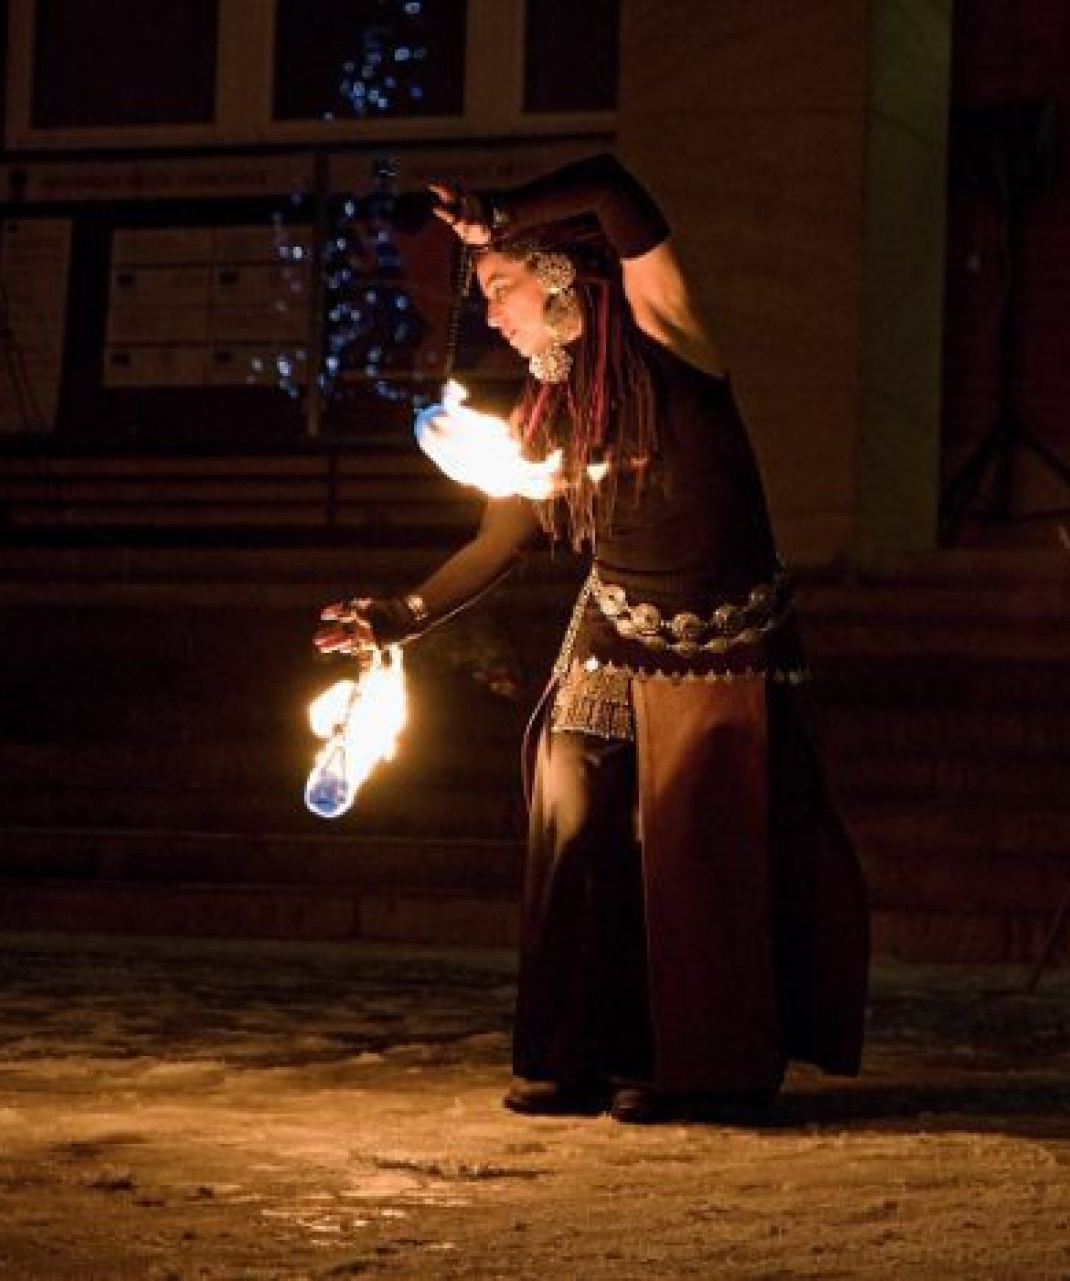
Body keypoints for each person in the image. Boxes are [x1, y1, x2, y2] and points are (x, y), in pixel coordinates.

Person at [313, 154, 869, 1124]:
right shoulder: (551, 412)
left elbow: (617, 190)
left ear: (559, 274)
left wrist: (495, 215)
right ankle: (571, 1058)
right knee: (573, 827)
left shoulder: (671, 340)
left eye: (499, 285)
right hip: (612, 636)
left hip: (726, 650)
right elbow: (502, 537)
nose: (491, 312)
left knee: (695, 848)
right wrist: (402, 613)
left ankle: (702, 1068)